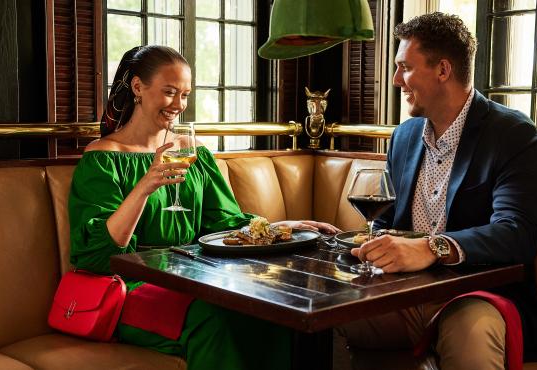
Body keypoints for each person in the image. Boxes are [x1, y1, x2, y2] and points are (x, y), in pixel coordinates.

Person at [68, 45, 339, 370]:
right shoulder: (104, 157)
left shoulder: (191, 152)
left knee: (271, 310)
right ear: (138, 87)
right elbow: (99, 255)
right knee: (214, 317)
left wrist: (284, 226)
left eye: (184, 95)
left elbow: (222, 223)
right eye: (169, 92)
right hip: (130, 289)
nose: (178, 105)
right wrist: (145, 186)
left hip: (193, 281)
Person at [338, 12, 537, 370]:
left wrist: (432, 248)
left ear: (443, 70)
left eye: (405, 68)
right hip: (403, 293)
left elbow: (518, 233)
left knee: (469, 333)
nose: (396, 80)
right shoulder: (404, 137)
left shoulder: (513, 134)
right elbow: (388, 223)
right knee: (326, 317)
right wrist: (364, 244)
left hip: (479, 296)